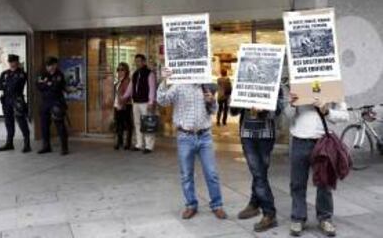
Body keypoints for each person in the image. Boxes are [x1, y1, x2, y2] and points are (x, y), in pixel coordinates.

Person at [157, 68, 227, 220]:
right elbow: (162, 100)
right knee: (186, 175)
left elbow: (213, 110)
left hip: (205, 137)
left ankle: (217, 205)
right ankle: (191, 205)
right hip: (185, 137)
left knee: (211, 173)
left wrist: (211, 101)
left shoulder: (206, 86)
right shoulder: (179, 86)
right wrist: (164, 81)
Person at [285, 93, 349, 237]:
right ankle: (298, 217)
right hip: (299, 140)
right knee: (297, 183)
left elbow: (345, 115)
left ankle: (325, 218)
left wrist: (327, 111)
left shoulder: (332, 85)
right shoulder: (298, 85)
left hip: (322, 142)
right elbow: (287, 116)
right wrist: (291, 105)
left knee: (324, 183)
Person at [230, 89, 283, 232]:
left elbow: (279, 109)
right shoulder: (242, 81)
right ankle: (268, 212)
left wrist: (265, 109)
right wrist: (238, 101)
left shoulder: (274, 80)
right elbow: (233, 111)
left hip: (266, 135)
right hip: (247, 134)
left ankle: (255, 205)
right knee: (258, 174)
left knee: (260, 174)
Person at [121, 54, 156, 154]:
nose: (137, 63)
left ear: (144, 62)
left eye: (139, 61)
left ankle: (149, 146)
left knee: (147, 124)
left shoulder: (150, 73)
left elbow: (152, 89)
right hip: (136, 103)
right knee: (137, 124)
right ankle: (139, 144)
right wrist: (124, 97)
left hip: (145, 103)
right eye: (136, 61)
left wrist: (151, 102)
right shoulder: (135, 74)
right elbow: (130, 88)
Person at [0, 54, 31, 153]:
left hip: (17, 100)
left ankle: (27, 144)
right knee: (8, 122)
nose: (12, 63)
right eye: (10, 62)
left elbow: (15, 87)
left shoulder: (22, 74)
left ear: (17, 62)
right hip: (6, 100)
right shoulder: (5, 73)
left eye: (14, 61)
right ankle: (9, 143)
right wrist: (7, 85)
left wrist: (6, 84)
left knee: (21, 122)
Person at [37, 57, 69, 155]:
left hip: (56, 102)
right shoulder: (43, 74)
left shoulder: (59, 75)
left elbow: (56, 88)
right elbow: (38, 86)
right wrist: (48, 84)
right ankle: (46, 146)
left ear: (55, 65)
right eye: (47, 66)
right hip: (45, 102)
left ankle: (64, 147)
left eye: (51, 65)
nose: (49, 67)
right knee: (44, 125)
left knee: (60, 125)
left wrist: (46, 84)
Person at [114, 62, 133, 150]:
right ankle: (120, 141)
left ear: (126, 71)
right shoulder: (118, 80)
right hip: (117, 105)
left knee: (127, 124)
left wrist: (122, 104)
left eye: (122, 69)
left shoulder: (127, 81)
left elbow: (127, 94)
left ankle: (127, 143)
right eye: (118, 69)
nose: (120, 71)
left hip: (125, 105)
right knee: (119, 124)